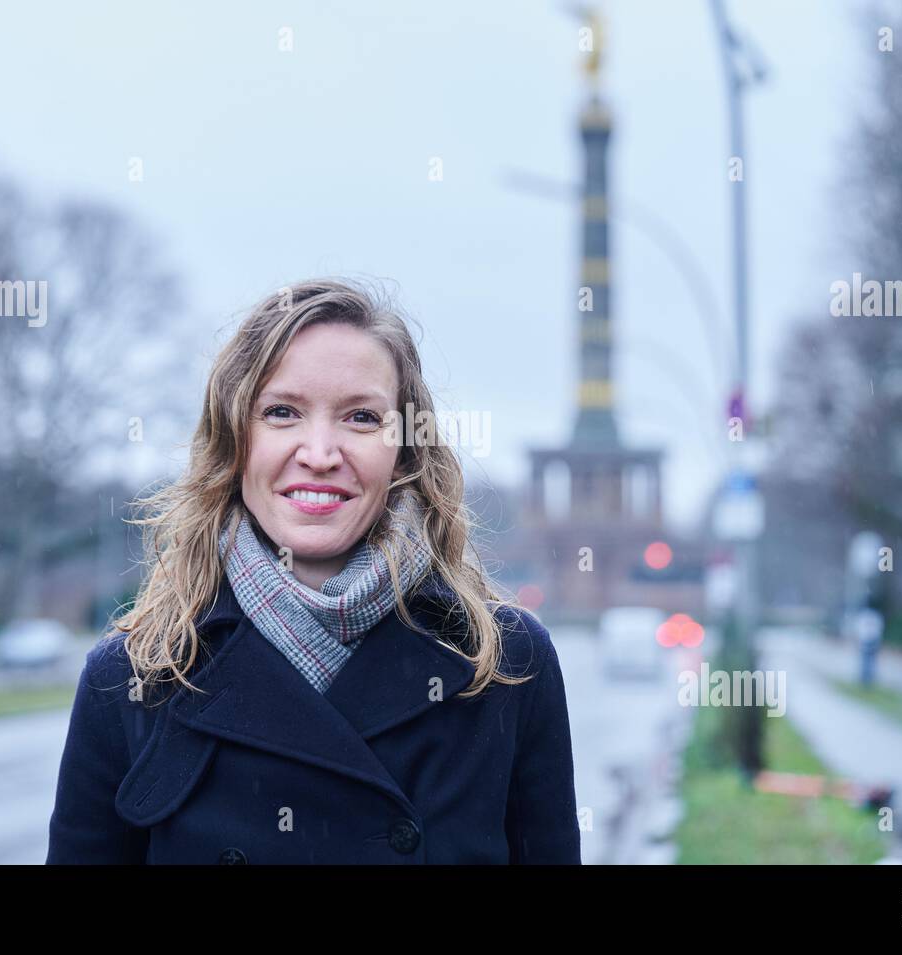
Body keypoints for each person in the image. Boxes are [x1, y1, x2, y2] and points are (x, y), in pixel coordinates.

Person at [46, 278, 582, 864]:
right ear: (235, 439)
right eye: (281, 413)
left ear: (404, 449)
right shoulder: (135, 676)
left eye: (360, 418)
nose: (321, 453)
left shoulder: (503, 665)